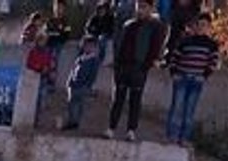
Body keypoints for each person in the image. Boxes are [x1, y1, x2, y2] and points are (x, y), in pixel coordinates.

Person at [105, 0, 165, 141]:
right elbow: (119, 44)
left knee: (135, 99)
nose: (140, 10)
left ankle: (131, 130)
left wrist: (146, 66)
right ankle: (111, 127)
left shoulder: (155, 27)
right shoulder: (128, 25)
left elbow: (154, 49)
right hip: (124, 66)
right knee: (118, 99)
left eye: (144, 7)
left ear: (150, 8)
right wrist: (118, 64)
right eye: (139, 7)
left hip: (139, 67)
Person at [165, 13, 218, 145]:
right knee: (177, 107)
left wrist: (204, 76)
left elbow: (213, 62)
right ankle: (172, 135)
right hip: (182, 77)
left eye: (204, 25)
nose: (201, 28)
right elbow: (175, 57)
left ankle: (184, 138)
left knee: (189, 110)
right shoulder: (186, 41)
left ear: (209, 27)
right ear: (195, 26)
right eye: (199, 25)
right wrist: (174, 73)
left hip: (197, 80)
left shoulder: (211, 45)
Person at [61, 36, 101, 130]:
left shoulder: (94, 60)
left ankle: (75, 122)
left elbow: (93, 74)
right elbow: (73, 70)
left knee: (79, 104)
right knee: (71, 104)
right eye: (86, 45)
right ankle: (72, 121)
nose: (88, 48)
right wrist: (69, 82)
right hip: (74, 84)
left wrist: (88, 85)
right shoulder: (80, 58)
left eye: (91, 46)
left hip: (83, 85)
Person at [84, 2, 116, 67]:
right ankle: (84, 57)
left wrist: (105, 33)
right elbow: (87, 26)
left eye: (103, 9)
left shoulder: (109, 18)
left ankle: (100, 58)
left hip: (106, 35)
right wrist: (89, 32)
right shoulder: (94, 17)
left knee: (102, 40)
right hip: (95, 34)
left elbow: (111, 29)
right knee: (86, 40)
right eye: (100, 9)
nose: (102, 11)